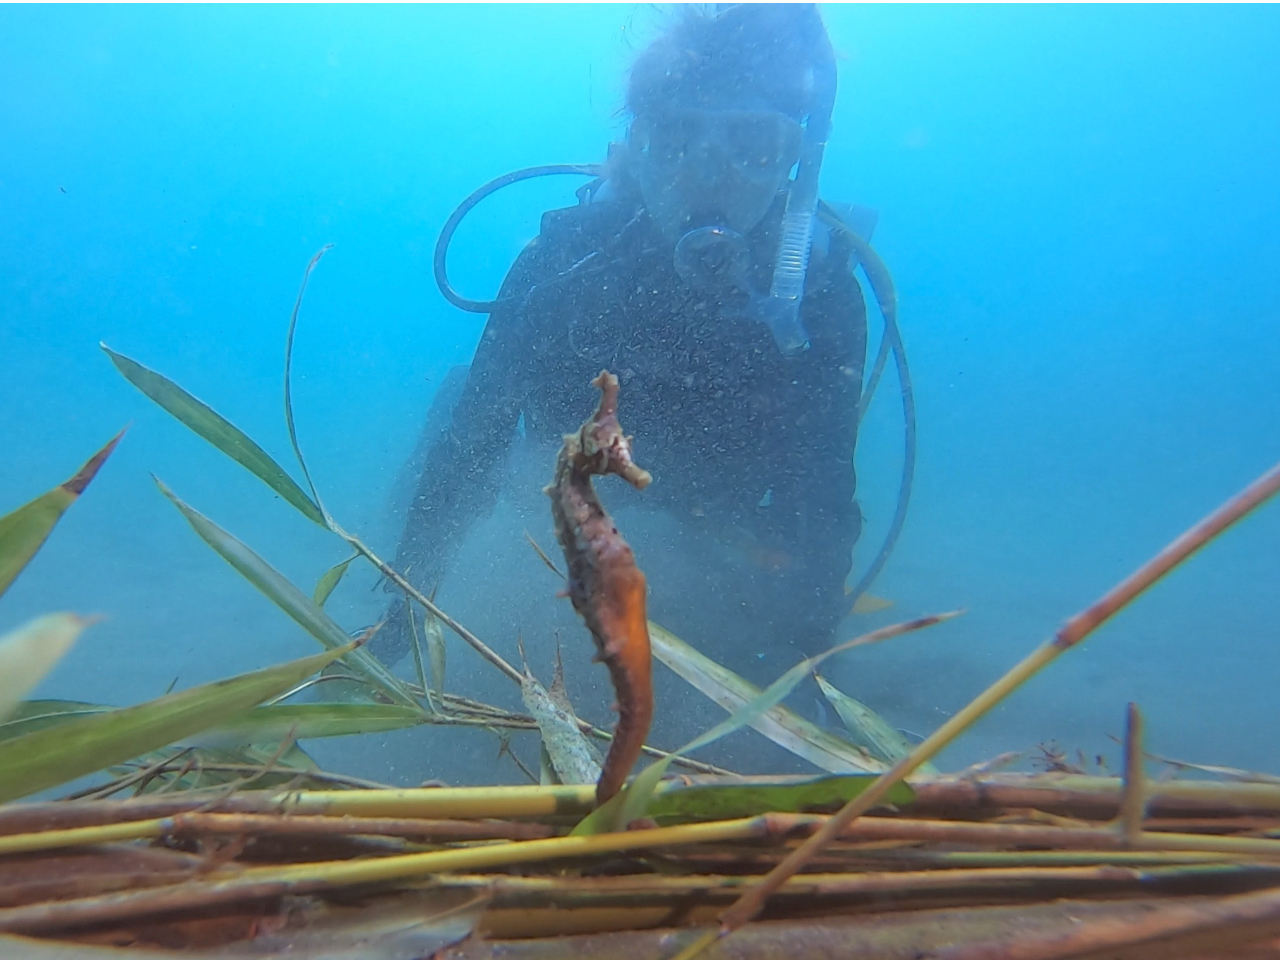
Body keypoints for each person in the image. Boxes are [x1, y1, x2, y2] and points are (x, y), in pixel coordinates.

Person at [379, 3, 873, 676]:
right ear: (634, 153)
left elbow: (820, 495)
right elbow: (475, 445)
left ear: (796, 164)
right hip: (567, 490)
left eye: (754, 144)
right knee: (468, 409)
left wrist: (807, 659)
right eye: (675, 140)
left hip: (718, 518)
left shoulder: (816, 294)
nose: (709, 173)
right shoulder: (562, 264)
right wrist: (404, 597)